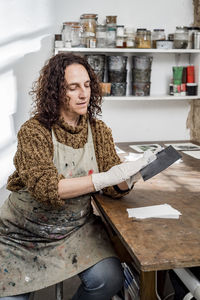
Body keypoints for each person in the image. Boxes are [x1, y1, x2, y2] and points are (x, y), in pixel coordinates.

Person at [0, 53, 156, 300]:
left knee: (109, 279)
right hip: (21, 235)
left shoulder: (99, 131)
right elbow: (47, 188)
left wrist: (131, 176)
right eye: (73, 88)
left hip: (74, 231)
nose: (84, 94)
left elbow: (113, 187)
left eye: (87, 85)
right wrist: (104, 178)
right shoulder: (34, 131)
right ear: (56, 92)